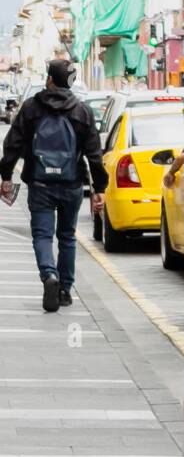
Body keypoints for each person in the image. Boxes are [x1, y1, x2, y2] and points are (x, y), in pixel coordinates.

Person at [0, 60, 107, 312]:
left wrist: (6, 175)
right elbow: (94, 155)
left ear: (49, 80)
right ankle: (65, 290)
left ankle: (49, 275)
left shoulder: (31, 108)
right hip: (71, 184)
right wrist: (98, 189)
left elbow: (12, 143)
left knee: (42, 235)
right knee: (67, 237)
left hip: (39, 183)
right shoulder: (82, 111)